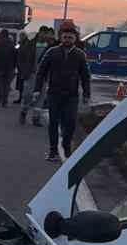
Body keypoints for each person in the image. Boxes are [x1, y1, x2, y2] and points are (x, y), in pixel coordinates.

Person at [36, 20, 90, 162]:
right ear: (61, 37)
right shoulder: (52, 52)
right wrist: (37, 88)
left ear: (75, 39)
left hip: (71, 96)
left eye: (70, 37)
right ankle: (53, 151)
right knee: (53, 123)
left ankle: (66, 147)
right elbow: (41, 71)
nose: (67, 40)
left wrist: (86, 94)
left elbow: (85, 76)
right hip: (54, 94)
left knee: (70, 123)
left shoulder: (80, 55)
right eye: (65, 37)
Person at [15, 29, 38, 122]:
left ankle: (35, 117)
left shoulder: (28, 45)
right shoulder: (25, 45)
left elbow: (25, 57)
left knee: (32, 93)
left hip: (32, 72)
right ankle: (24, 111)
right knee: (27, 91)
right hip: (27, 71)